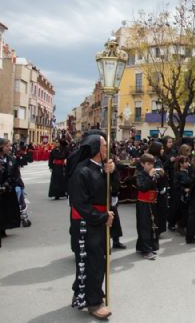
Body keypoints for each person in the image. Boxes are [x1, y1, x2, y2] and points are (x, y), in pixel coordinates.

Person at [68, 134, 114, 319]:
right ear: (95, 149)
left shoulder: (101, 168)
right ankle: (93, 302)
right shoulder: (82, 171)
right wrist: (103, 217)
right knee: (93, 262)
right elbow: (81, 204)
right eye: (104, 146)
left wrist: (112, 172)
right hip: (87, 222)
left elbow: (113, 190)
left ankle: (81, 292)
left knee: (95, 260)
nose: (106, 149)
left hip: (98, 220)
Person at [135, 153, 160, 258]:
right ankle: (146, 250)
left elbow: (157, 186)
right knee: (144, 226)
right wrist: (150, 177)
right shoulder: (140, 174)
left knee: (152, 225)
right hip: (143, 203)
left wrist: (160, 176)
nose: (151, 166)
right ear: (142, 164)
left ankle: (147, 246)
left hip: (152, 202)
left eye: (152, 164)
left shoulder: (153, 173)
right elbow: (142, 187)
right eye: (148, 164)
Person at [0, 139, 22, 232]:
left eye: (10, 146)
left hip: (9, 188)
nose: (9, 148)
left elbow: (16, 173)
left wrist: (10, 183)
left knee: (8, 210)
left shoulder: (11, 159)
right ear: (1, 147)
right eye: (7, 146)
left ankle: (5, 227)